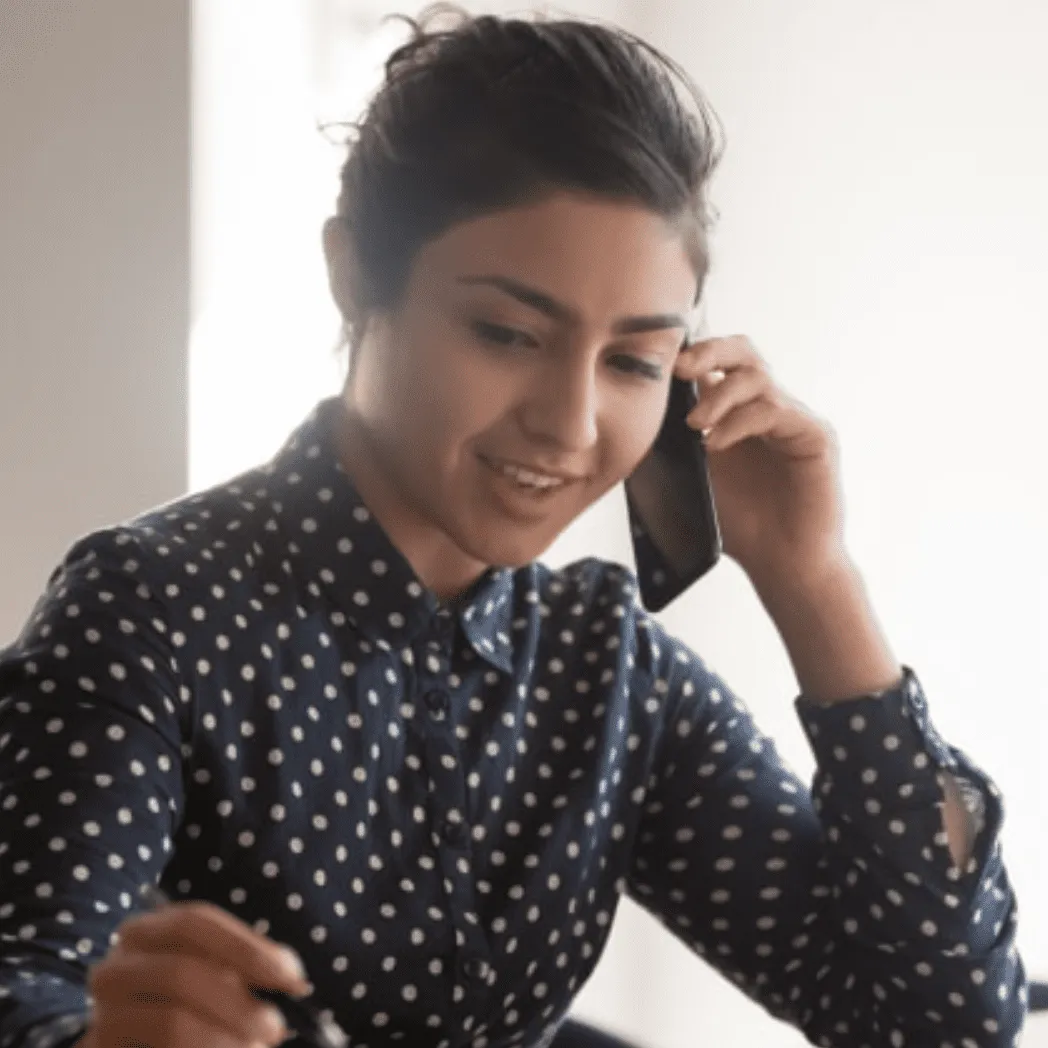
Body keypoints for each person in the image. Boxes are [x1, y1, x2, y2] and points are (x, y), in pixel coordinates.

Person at [0, 7, 1026, 1048]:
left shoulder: (605, 667)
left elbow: (940, 1028)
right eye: (506, 332)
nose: (570, 423)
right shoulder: (150, 611)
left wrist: (813, 579)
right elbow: (19, 990)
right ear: (355, 274)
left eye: (631, 362)